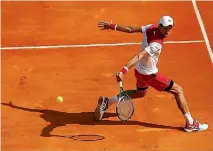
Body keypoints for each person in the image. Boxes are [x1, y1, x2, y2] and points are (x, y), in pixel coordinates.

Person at [94, 16, 208, 132]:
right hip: (150, 75)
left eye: (170, 28)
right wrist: (124, 70)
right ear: (160, 26)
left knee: (140, 93)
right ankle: (190, 123)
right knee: (178, 90)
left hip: (139, 71)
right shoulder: (156, 45)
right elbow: (139, 56)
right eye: (166, 29)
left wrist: (111, 26)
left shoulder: (150, 27)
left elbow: (130, 29)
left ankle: (107, 101)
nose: (168, 31)